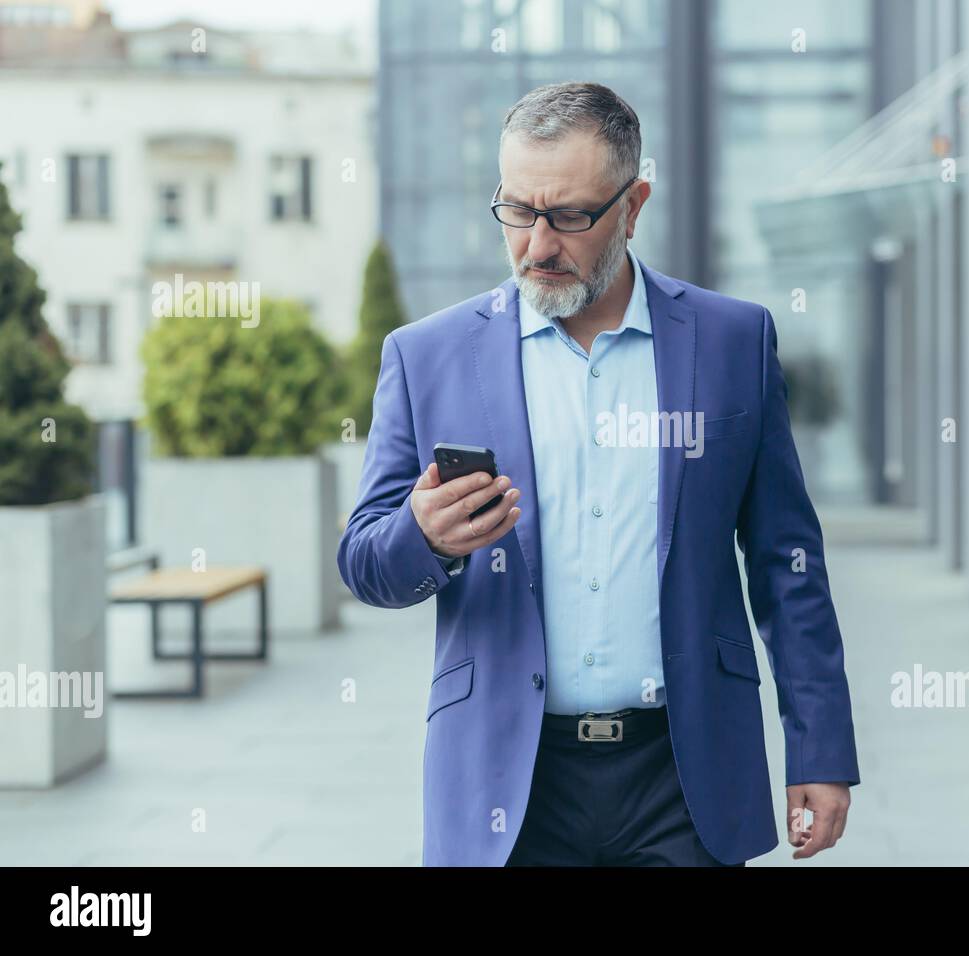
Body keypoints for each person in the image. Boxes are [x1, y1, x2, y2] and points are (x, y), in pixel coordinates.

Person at [338, 81, 859, 867]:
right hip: (506, 782)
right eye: (517, 210)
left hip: (682, 779)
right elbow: (364, 562)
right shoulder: (427, 357)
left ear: (634, 203)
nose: (538, 243)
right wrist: (424, 537)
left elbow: (789, 563)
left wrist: (819, 749)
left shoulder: (731, 343)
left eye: (571, 216)